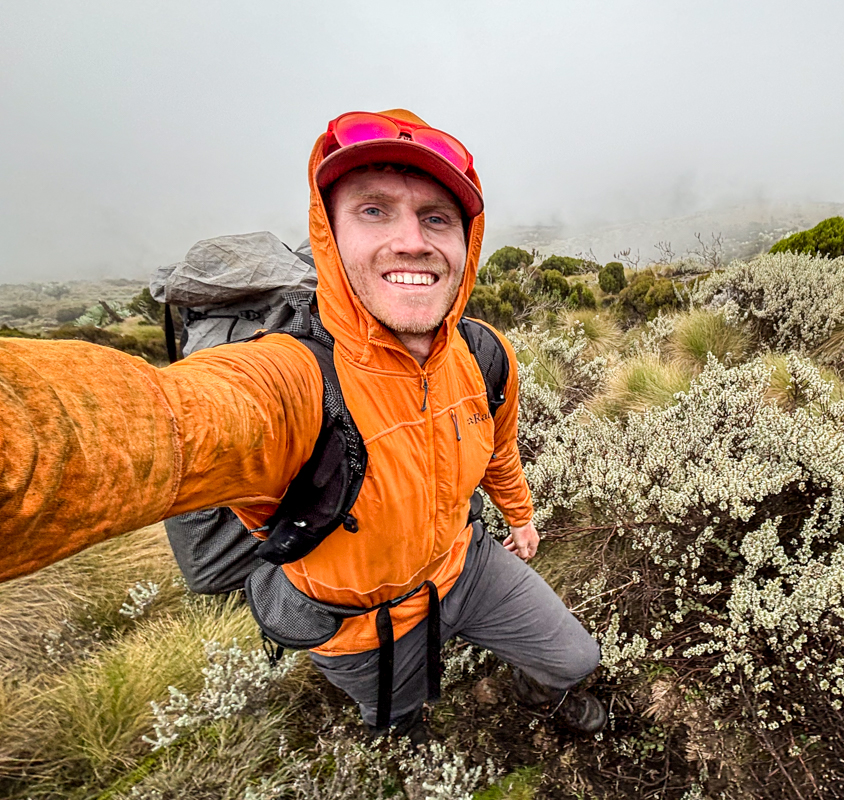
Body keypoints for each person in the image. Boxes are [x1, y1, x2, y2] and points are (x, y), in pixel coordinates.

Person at [0, 108, 606, 737]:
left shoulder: (484, 355)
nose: (412, 241)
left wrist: (522, 516)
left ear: (465, 244)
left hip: (465, 566)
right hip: (356, 626)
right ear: (330, 237)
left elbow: (499, 448)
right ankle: (406, 738)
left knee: (574, 658)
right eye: (373, 210)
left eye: (436, 217)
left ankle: (539, 697)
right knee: (397, 718)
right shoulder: (290, 378)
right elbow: (151, 423)